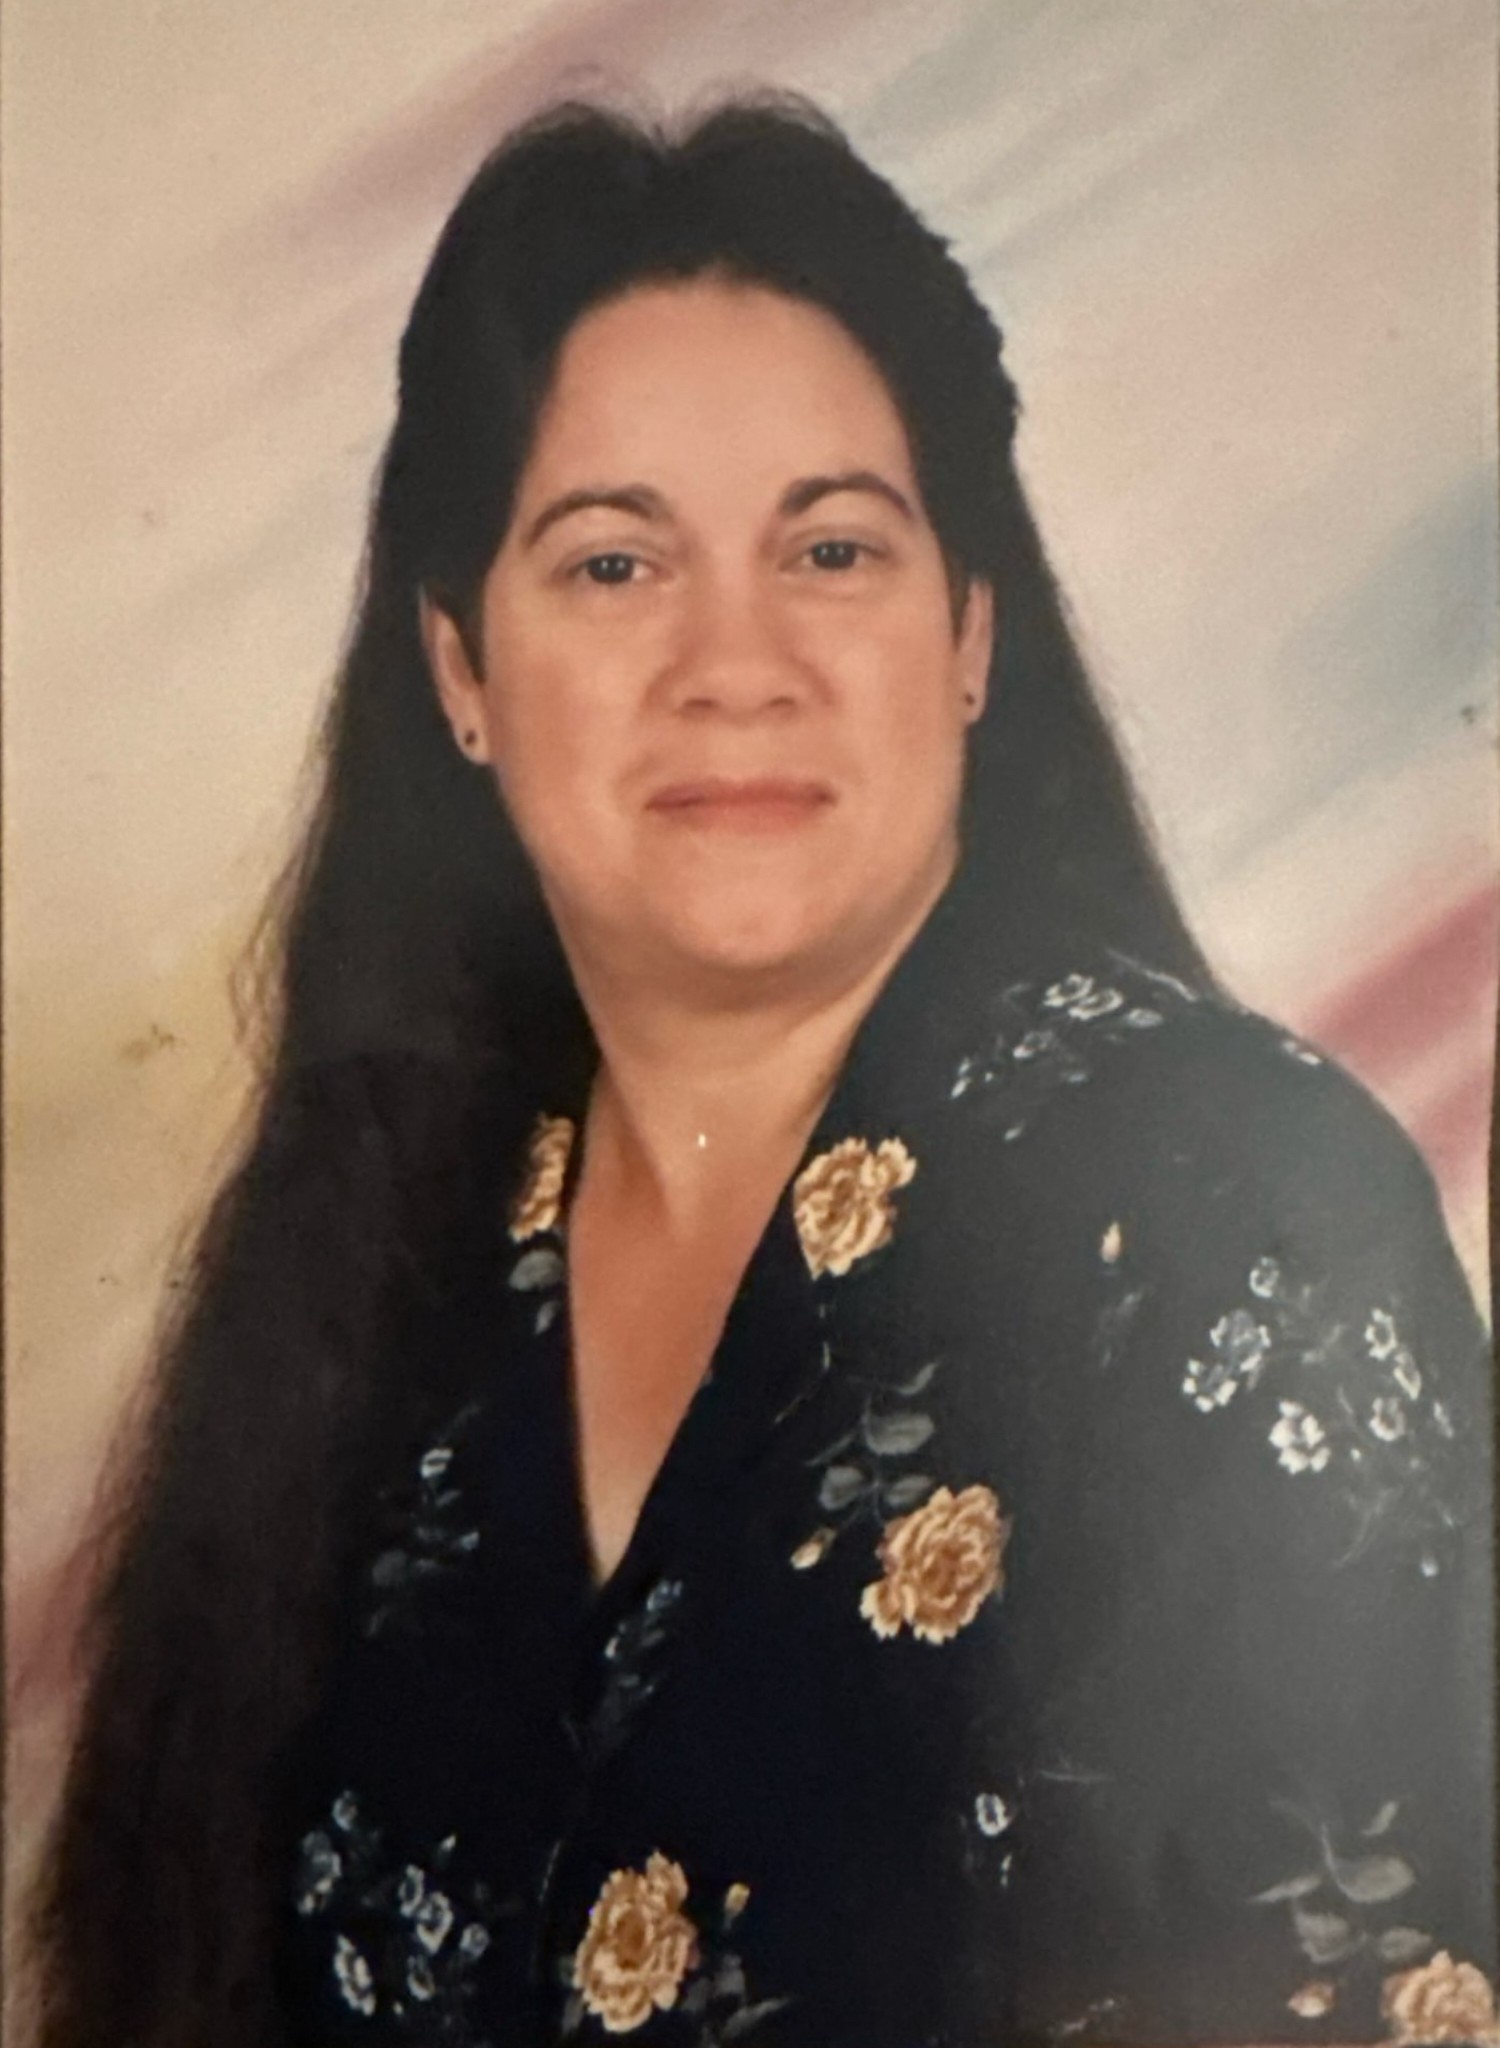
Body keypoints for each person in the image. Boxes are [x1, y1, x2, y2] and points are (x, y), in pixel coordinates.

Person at [34, 94, 1495, 2048]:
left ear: (969, 636)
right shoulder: (378, 1265)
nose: (739, 660)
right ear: (462, 671)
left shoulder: (1236, 1208)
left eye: (831, 547)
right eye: (613, 565)